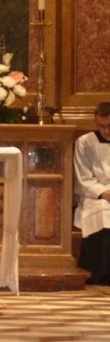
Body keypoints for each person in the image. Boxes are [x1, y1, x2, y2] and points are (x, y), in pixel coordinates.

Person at [74, 102, 110, 285]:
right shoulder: (85, 142)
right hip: (96, 195)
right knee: (104, 213)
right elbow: (83, 178)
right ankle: (101, 275)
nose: (106, 132)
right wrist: (104, 192)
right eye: (101, 126)